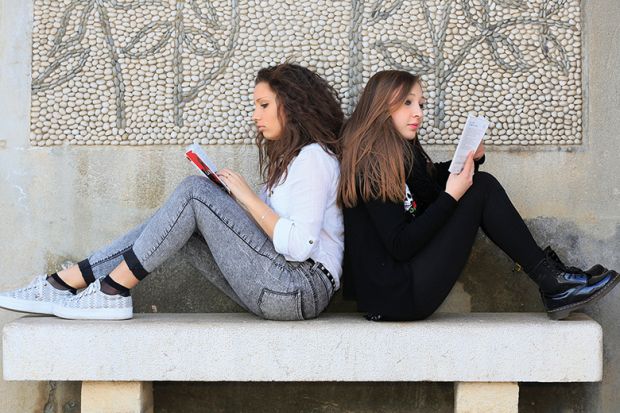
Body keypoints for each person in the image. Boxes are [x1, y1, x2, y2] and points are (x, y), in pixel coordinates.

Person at [0, 63, 344, 321]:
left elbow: (300, 247)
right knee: (181, 222)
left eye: (263, 105)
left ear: (293, 105)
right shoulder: (289, 162)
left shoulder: (314, 158)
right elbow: (266, 235)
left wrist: (245, 197)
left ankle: (110, 289)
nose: (254, 115)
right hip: (280, 286)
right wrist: (226, 201)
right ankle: (67, 282)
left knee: (193, 193)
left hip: (300, 288)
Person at [338, 70, 618, 321]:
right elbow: (400, 245)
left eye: (421, 104)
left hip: (402, 287)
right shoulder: (371, 164)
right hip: (397, 295)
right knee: (481, 188)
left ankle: (553, 280)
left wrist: (470, 159)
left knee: (479, 183)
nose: (418, 113)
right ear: (381, 106)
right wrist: (451, 197)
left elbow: (430, 182)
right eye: (407, 102)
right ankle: (553, 282)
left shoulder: (396, 152)